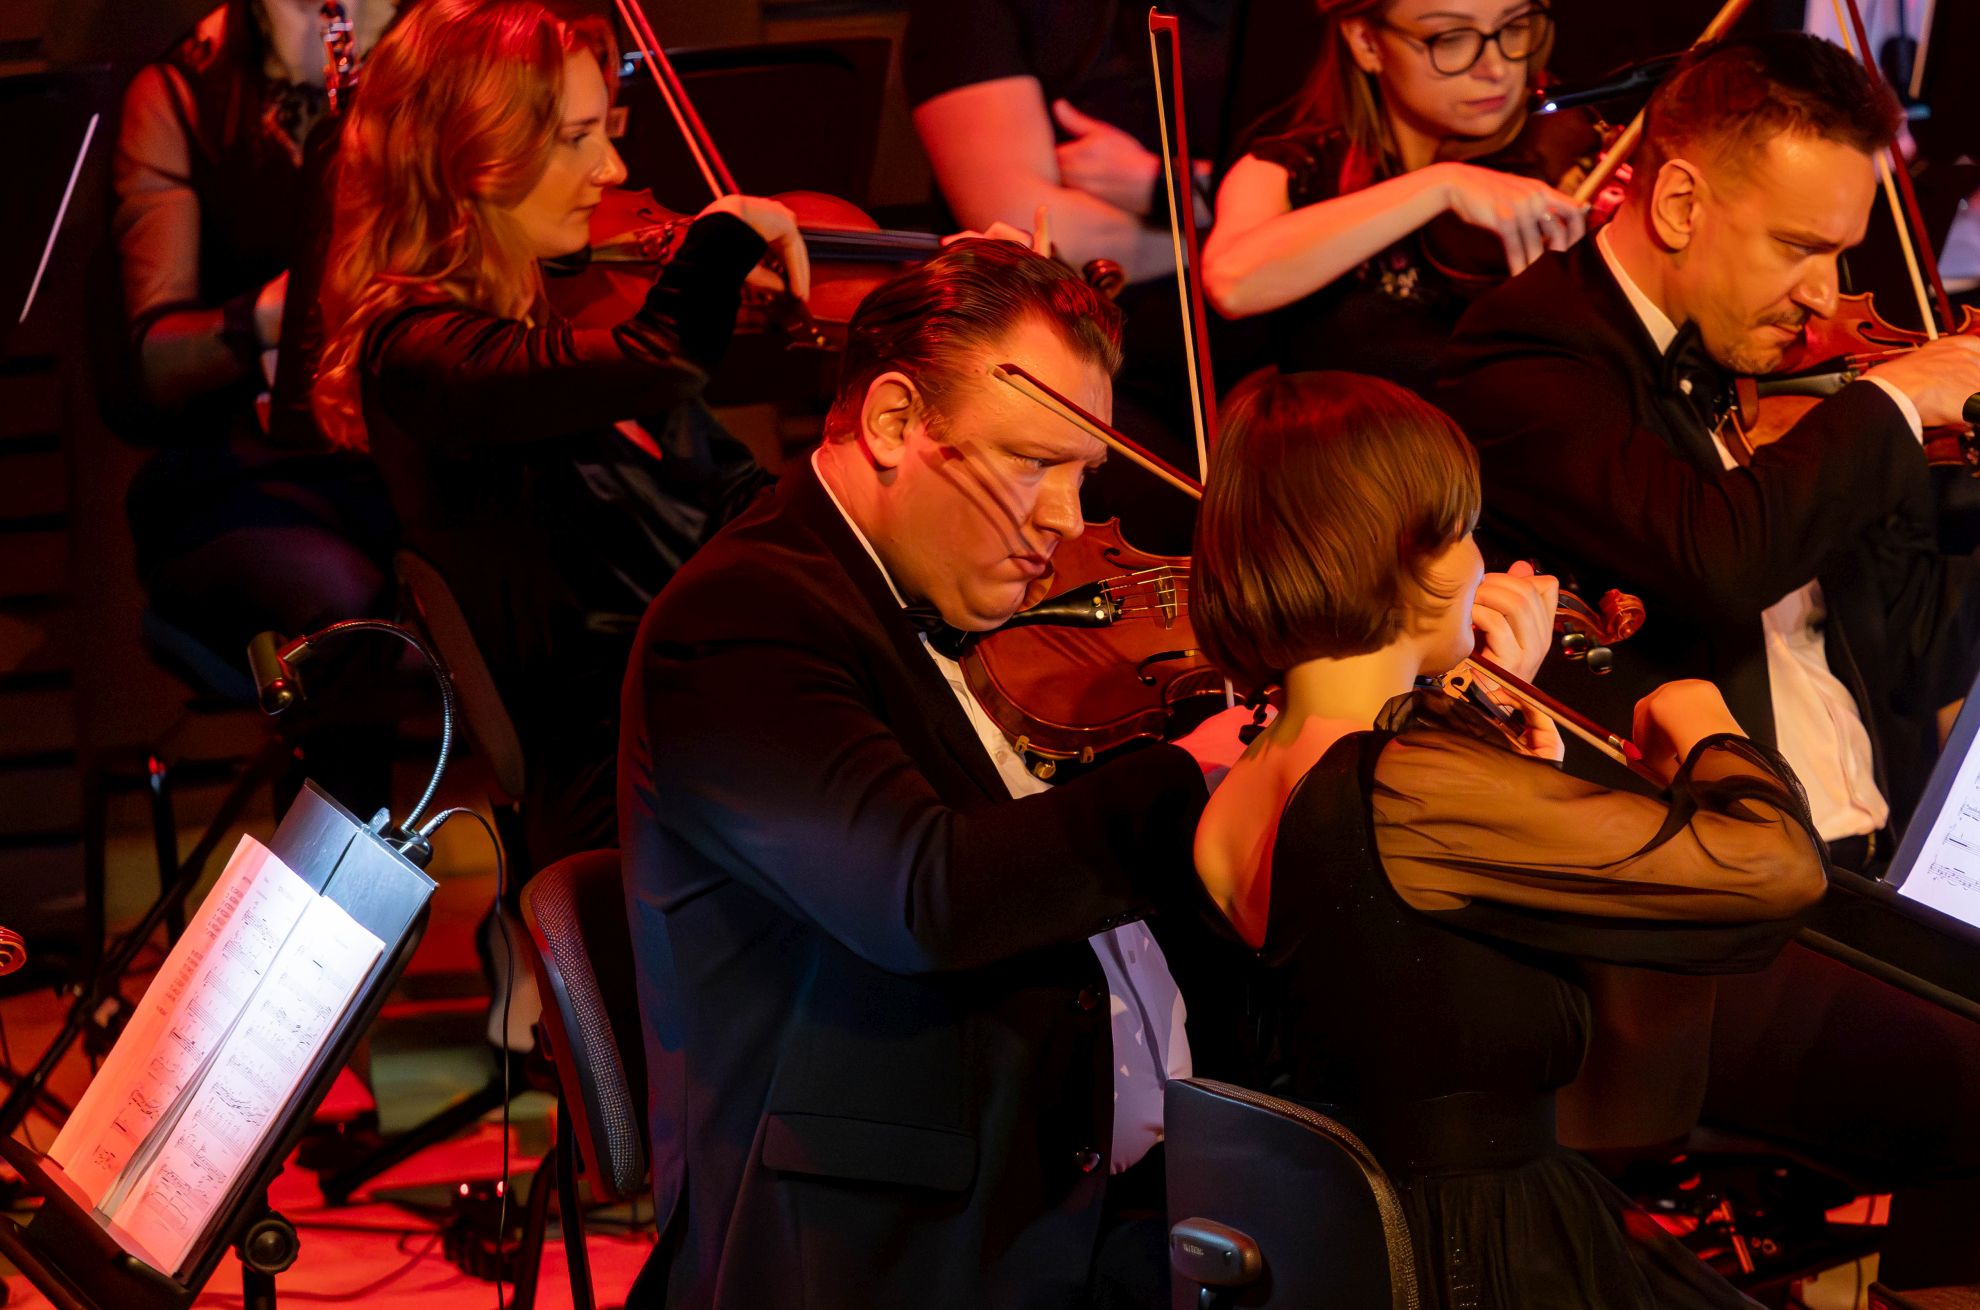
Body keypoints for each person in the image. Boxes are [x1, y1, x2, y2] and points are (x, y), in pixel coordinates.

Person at [1432, 31, 1980, 1288]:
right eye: (1797, 247)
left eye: (1841, 253)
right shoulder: (1526, 358)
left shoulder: (1800, 392)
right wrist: (1888, 408)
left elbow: (1912, 654)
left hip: (1863, 887)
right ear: (1680, 201)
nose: (1823, 295)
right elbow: (1711, 555)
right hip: (1694, 930)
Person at [621, 238, 1247, 1308]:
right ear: (893, 421)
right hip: (898, 1251)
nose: (1065, 519)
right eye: (1031, 462)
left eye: (1081, 473)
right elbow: (925, 896)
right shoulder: (740, 622)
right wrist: (1188, 775)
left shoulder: (953, 603)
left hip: (1091, 1202)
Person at [1190, 368, 1826, 1308]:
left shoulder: (1248, 778)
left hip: (1365, 1244)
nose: (1482, 562)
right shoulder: (1398, 783)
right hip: (1479, 1254)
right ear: (1412, 553)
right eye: (1464, 530)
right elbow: (1774, 867)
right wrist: (1708, 729)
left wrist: (1495, 752)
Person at [312, 0, 796, 870]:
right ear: (471, 152)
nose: (613, 168)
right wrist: (722, 240)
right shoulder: (419, 356)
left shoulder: (555, 328)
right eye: (576, 139)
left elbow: (744, 501)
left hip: (724, 730)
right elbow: (667, 353)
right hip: (640, 796)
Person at [112, 0, 401, 814]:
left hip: (403, 462)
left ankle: (564, 880)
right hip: (243, 482)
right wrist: (281, 309)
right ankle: (337, 889)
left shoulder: (434, 46)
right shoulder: (185, 92)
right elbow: (155, 360)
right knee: (343, 613)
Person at [902, 0, 1319, 552]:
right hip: (1087, 363)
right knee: (1183, 525)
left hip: (1267, 350)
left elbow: (1322, 191)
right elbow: (1038, 230)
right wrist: (1240, 244)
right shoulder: (976, 14)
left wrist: (1159, 184)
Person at [1202, 0, 1587, 392]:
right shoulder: (1291, 170)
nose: (1497, 69)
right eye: (1451, 38)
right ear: (1366, 43)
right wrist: (1441, 185)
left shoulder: (1568, 150)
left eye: (1515, 27)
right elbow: (1232, 284)